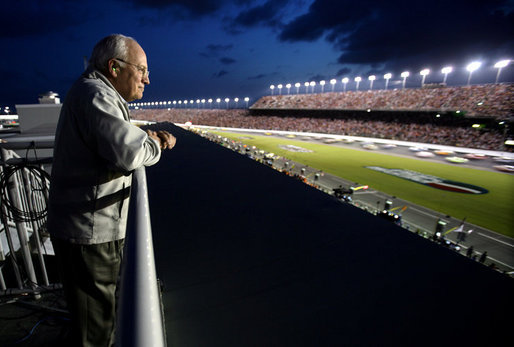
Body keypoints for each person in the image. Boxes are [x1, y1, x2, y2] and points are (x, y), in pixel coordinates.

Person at [47, 34, 176, 347]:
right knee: (95, 330)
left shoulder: (94, 92)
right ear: (114, 67)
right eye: (142, 69)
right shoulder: (94, 94)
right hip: (89, 233)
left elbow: (116, 139)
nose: (147, 78)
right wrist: (157, 143)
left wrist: (140, 135)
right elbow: (130, 154)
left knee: (96, 319)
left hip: (86, 227)